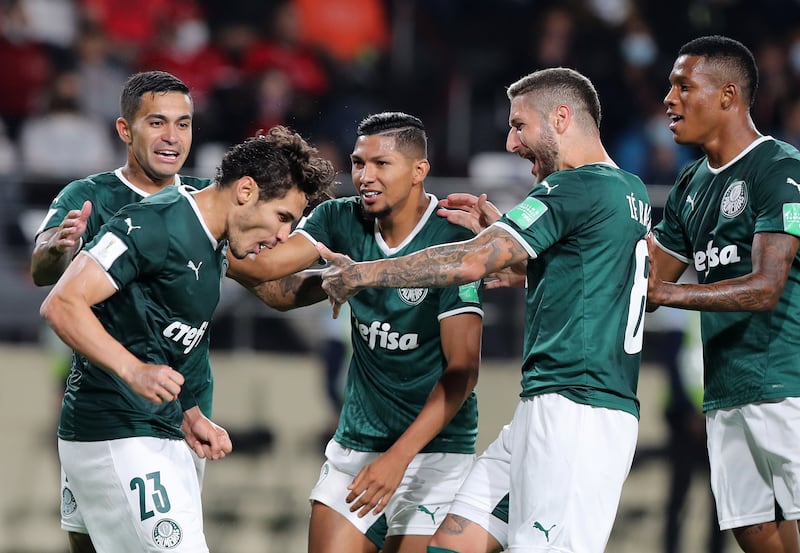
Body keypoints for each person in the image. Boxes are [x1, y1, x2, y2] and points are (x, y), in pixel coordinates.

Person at [317, 67, 652, 553]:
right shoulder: (630, 190)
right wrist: (527, 263)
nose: (512, 144)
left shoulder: (573, 188)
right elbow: (603, 281)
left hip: (580, 414)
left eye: (519, 126)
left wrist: (365, 272)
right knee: (448, 547)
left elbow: (471, 260)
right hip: (546, 406)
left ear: (561, 118)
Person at [39, 128, 335, 553]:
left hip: (161, 429)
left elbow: (157, 334)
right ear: (246, 191)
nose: (284, 236)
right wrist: (133, 371)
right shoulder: (154, 223)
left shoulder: (214, 238)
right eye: (284, 218)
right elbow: (62, 303)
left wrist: (189, 413)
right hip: (117, 430)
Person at [226, 111, 484, 553]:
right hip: (357, 446)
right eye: (358, 163)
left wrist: (397, 459)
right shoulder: (339, 219)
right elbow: (274, 281)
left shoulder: (452, 242)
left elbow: (462, 371)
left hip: (433, 455)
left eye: (381, 164)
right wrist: (199, 233)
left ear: (419, 170)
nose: (365, 176)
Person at [29, 69, 217, 553]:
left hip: (177, 415)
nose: (172, 137)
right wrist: (59, 246)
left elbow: (264, 271)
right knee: (88, 543)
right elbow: (43, 266)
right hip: (103, 409)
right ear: (124, 129)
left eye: (184, 123)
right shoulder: (87, 196)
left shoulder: (202, 203)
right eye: (157, 122)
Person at [647, 35, 800, 553]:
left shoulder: (778, 166)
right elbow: (644, 279)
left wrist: (671, 295)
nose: (669, 99)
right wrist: (532, 263)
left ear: (728, 96)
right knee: (756, 537)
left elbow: (765, 288)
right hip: (725, 394)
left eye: (683, 86)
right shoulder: (691, 185)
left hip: (787, 387)